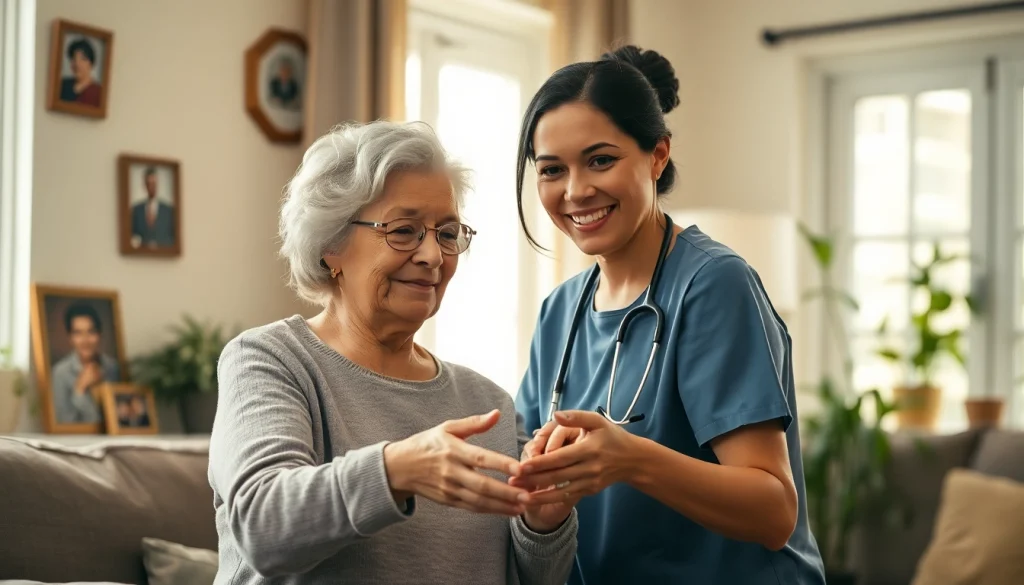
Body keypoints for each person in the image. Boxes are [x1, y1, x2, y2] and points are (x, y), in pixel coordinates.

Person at [208, 120, 578, 584]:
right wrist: (399, 468)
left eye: (446, 232)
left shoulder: (490, 404)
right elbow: (262, 527)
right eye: (404, 230)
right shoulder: (270, 359)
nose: (432, 255)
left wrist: (543, 522)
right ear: (330, 246)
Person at [510, 45, 826, 584]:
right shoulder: (560, 311)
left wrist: (629, 458)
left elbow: (774, 510)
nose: (575, 190)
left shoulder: (712, 285)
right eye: (551, 170)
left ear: (657, 155)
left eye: (601, 160)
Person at [50, 303, 121, 424]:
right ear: (70, 338)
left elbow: (117, 419)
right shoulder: (60, 372)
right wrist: (79, 390)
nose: (85, 340)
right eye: (78, 333)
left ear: (99, 334)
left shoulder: (112, 367)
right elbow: (63, 423)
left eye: (91, 332)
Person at [130, 167, 175, 249]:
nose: (151, 187)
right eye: (148, 184)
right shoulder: (136, 210)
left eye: (154, 183)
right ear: (145, 185)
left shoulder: (168, 210)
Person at [59, 37, 102, 107]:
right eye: (74, 59)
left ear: (91, 64)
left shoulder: (99, 92)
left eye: (83, 59)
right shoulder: (62, 85)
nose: (77, 64)